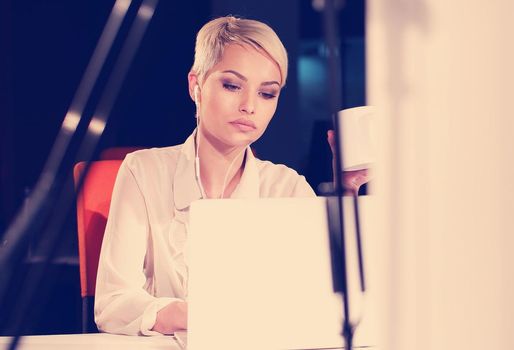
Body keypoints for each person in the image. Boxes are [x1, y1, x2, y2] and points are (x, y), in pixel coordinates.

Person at [94, 16, 369, 336]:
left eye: (267, 93)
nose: (249, 106)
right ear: (195, 85)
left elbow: (328, 301)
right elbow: (113, 303)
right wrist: (198, 315)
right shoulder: (143, 171)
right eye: (232, 86)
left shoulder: (287, 187)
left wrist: (346, 192)